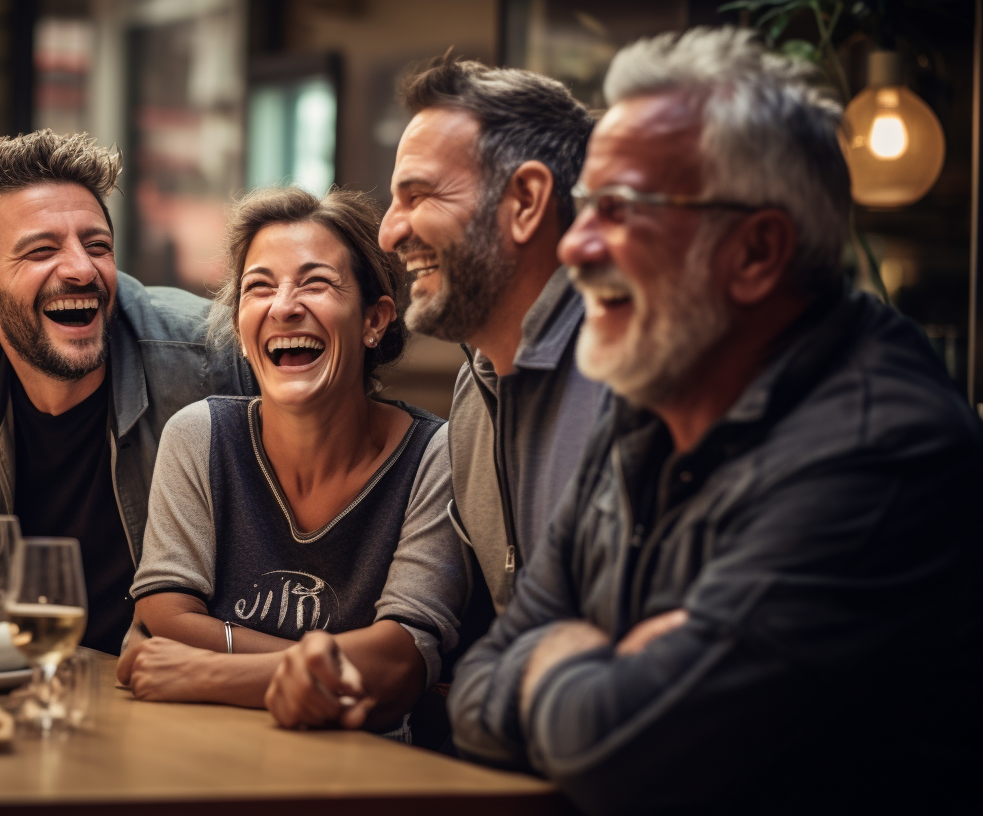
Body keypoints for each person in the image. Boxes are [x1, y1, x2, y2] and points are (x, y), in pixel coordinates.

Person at [448, 27, 982, 814]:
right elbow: (473, 691)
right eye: (586, 205)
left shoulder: (881, 453)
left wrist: (550, 657)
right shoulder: (647, 404)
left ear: (757, 252)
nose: (579, 245)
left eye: (620, 209)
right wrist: (586, 664)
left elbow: (624, 755)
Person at [0, 131, 251, 655]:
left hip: (176, 687)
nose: (81, 269)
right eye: (42, 250)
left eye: (97, 246)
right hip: (19, 681)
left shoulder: (211, 356)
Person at [117, 187, 465, 737]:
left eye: (316, 283)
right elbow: (162, 618)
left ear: (374, 320)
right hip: (202, 756)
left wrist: (208, 671)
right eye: (259, 287)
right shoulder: (201, 435)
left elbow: (402, 659)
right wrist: (336, 672)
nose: (283, 306)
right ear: (239, 325)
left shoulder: (435, 457)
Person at [377, 56, 607, 617]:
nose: (388, 233)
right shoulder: (473, 397)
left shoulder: (636, 381)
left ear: (526, 201)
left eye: (418, 195)